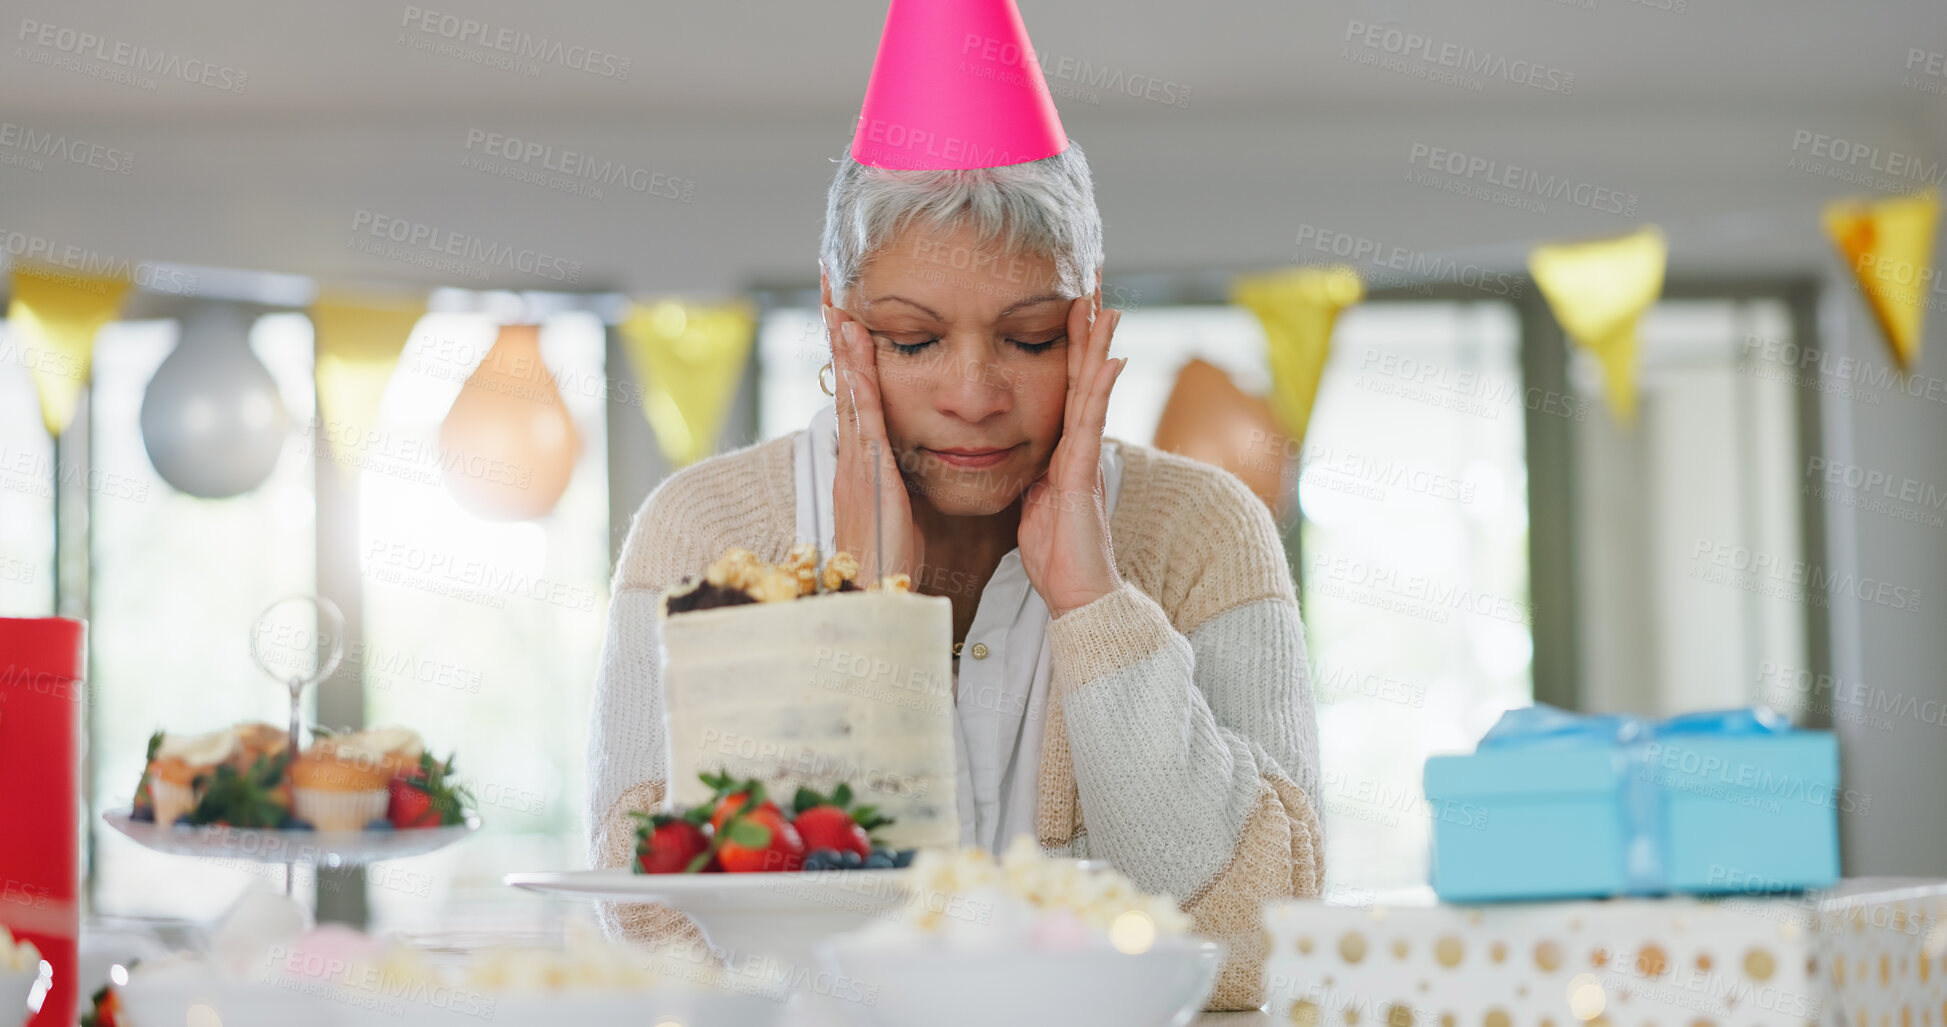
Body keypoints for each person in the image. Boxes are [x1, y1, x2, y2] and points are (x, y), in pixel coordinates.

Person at [585, 0, 1321, 1009]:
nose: (974, 395)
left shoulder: (1204, 531)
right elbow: (665, 936)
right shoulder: (701, 530)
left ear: (1089, 317)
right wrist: (856, 614)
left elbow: (1262, 942)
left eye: (1028, 339)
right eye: (913, 339)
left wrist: (1096, 606)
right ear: (837, 321)